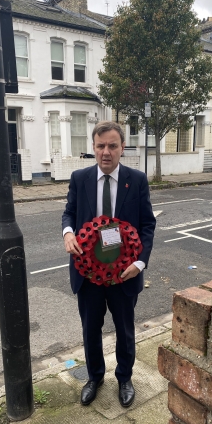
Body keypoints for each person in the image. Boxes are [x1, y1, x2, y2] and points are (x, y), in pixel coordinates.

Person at [62, 121, 156, 408]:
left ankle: (125, 378)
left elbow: (147, 225)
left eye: (112, 146)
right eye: (100, 146)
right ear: (93, 148)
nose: (106, 152)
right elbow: (69, 213)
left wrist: (140, 263)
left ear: (122, 148)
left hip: (124, 273)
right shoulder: (80, 178)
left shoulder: (136, 180)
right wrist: (67, 233)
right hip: (87, 273)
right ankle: (95, 377)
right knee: (91, 328)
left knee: (125, 329)